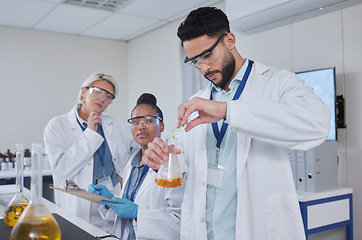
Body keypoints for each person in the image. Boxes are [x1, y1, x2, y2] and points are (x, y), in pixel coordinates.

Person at [142, 7, 330, 240]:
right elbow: (183, 162)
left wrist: (227, 111)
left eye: (208, 55)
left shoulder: (276, 83)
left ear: (230, 40)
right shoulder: (196, 102)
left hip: (257, 230)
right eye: (194, 61)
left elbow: (318, 123)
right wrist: (164, 157)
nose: (204, 68)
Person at [43, 73, 137, 231]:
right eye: (98, 91)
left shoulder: (116, 124)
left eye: (109, 96)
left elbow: (138, 151)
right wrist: (91, 133)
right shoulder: (58, 125)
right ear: (83, 91)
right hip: (79, 203)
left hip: (112, 197)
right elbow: (60, 170)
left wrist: (124, 174)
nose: (103, 99)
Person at [89, 93, 186, 240]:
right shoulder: (130, 164)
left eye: (148, 121)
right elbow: (126, 211)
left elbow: (180, 223)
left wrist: (137, 213)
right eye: (135, 122)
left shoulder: (171, 163)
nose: (141, 126)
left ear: (162, 125)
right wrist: (110, 201)